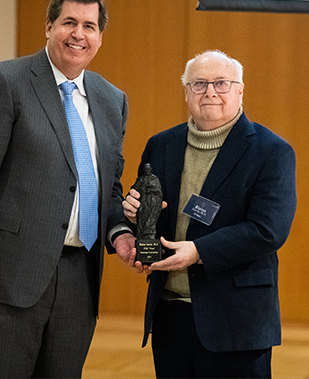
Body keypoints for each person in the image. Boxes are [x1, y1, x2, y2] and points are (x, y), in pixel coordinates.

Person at [0, 0, 130, 377]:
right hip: (12, 277)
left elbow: (108, 184)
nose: (78, 34)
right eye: (69, 22)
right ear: (49, 26)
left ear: (100, 37)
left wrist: (122, 230)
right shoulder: (6, 82)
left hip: (80, 276)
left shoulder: (111, 99)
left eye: (89, 25)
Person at [121, 50, 296, 378]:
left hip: (236, 323)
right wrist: (133, 214)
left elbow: (268, 230)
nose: (210, 92)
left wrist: (199, 252)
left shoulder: (271, 151)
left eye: (221, 83)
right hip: (171, 317)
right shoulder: (161, 145)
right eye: (199, 84)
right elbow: (149, 211)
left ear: (240, 90)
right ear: (186, 91)